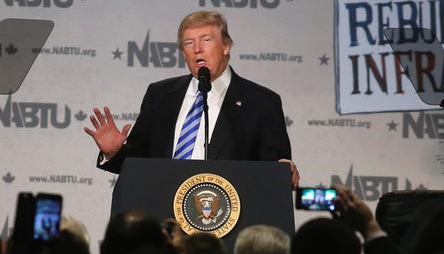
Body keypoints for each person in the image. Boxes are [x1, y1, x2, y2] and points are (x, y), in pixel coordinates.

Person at [83, 10, 299, 187]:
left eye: (206, 39)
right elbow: (139, 164)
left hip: (228, 217)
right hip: (163, 213)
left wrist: (283, 171)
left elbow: (275, 169)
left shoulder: (261, 102)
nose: (197, 49)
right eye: (188, 43)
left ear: (226, 46)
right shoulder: (160, 95)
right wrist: (115, 152)